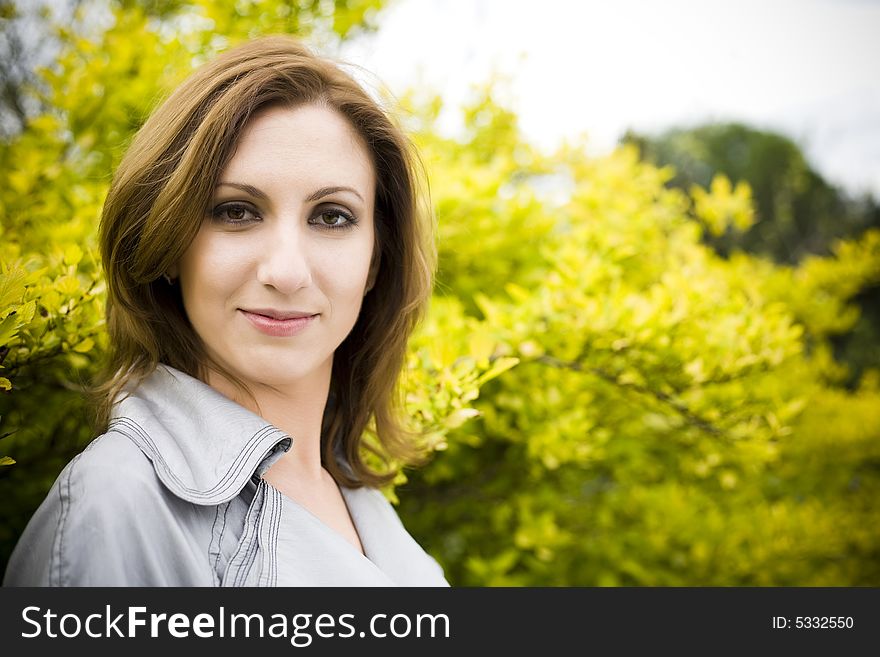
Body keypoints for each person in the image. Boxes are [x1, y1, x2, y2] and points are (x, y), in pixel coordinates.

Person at [3, 36, 447, 586]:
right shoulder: (116, 502)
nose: (286, 272)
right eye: (236, 211)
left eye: (332, 216)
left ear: (376, 258)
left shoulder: (378, 521)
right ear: (169, 244)